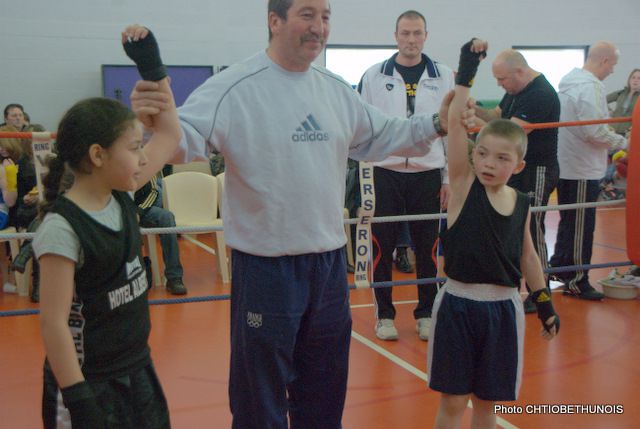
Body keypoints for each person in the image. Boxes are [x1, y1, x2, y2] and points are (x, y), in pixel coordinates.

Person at [131, 1, 475, 427]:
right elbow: (183, 139)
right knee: (260, 399)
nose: (319, 27)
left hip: (329, 268)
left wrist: (438, 124)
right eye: (307, 15)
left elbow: (385, 134)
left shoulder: (333, 89)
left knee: (324, 394)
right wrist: (154, 120)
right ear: (274, 21)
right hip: (266, 269)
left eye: (326, 17)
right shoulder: (235, 86)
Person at [34, 25, 181, 428]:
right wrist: (80, 401)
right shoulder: (63, 229)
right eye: (134, 149)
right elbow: (54, 323)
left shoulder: (123, 192)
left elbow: (169, 132)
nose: (141, 158)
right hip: (90, 384)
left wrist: (151, 66)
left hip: (137, 368)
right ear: (98, 155)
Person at [428, 38, 559, 429]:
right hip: (458, 306)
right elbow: (455, 122)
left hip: (503, 310)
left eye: (502, 158)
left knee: (488, 406)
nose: (488, 163)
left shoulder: (521, 202)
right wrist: (468, 69)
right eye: (482, 153)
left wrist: (545, 302)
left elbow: (529, 257)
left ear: (518, 166)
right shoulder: (464, 186)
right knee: (454, 403)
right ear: (473, 154)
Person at [357, 10, 453, 341]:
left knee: (428, 248)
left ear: (426, 35)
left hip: (428, 172)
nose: (411, 40)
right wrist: (366, 174)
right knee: (381, 246)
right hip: (385, 172)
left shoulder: (444, 76)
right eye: (405, 33)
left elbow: (453, 130)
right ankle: (384, 314)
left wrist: (448, 179)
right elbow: (362, 127)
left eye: (417, 34)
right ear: (395, 36)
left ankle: (426, 312)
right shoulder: (373, 75)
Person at [475, 49, 560, 313]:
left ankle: (540, 290)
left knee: (532, 228)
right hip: (516, 170)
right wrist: (468, 105)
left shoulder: (540, 94)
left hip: (537, 169)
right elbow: (495, 117)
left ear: (520, 72)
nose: (500, 84)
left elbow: (508, 133)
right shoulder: (515, 90)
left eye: (502, 79)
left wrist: (467, 127)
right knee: (513, 226)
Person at [549, 42, 628, 300]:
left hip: (569, 163)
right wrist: (627, 143)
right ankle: (576, 279)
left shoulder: (569, 81)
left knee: (570, 220)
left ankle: (560, 267)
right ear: (604, 60)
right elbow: (595, 130)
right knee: (581, 224)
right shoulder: (590, 85)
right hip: (582, 166)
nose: (612, 71)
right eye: (613, 65)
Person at [135, 172, 187, 295]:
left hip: (143, 208)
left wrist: (139, 211)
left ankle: (174, 277)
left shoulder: (145, 160)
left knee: (166, 217)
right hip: (120, 210)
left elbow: (153, 191)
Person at [607, 68, 640, 136]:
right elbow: (602, 100)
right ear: (629, 80)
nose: (635, 80)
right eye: (633, 77)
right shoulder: (621, 93)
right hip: (612, 130)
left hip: (629, 133)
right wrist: (608, 110)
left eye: (639, 78)